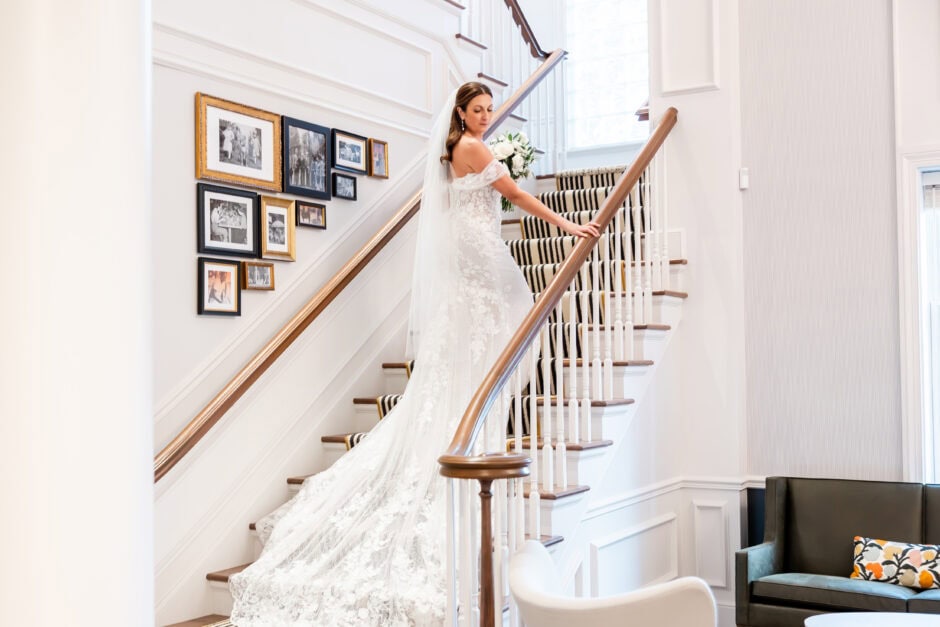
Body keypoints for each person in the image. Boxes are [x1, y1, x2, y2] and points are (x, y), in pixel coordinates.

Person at [228, 82, 599, 626]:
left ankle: (476, 414)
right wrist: (569, 226)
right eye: (477, 110)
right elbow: (516, 197)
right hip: (477, 250)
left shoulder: (456, 149)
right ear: (460, 112)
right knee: (509, 312)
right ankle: (475, 419)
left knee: (489, 328)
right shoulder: (472, 148)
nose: (485, 117)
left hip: (470, 246)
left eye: (489, 111)